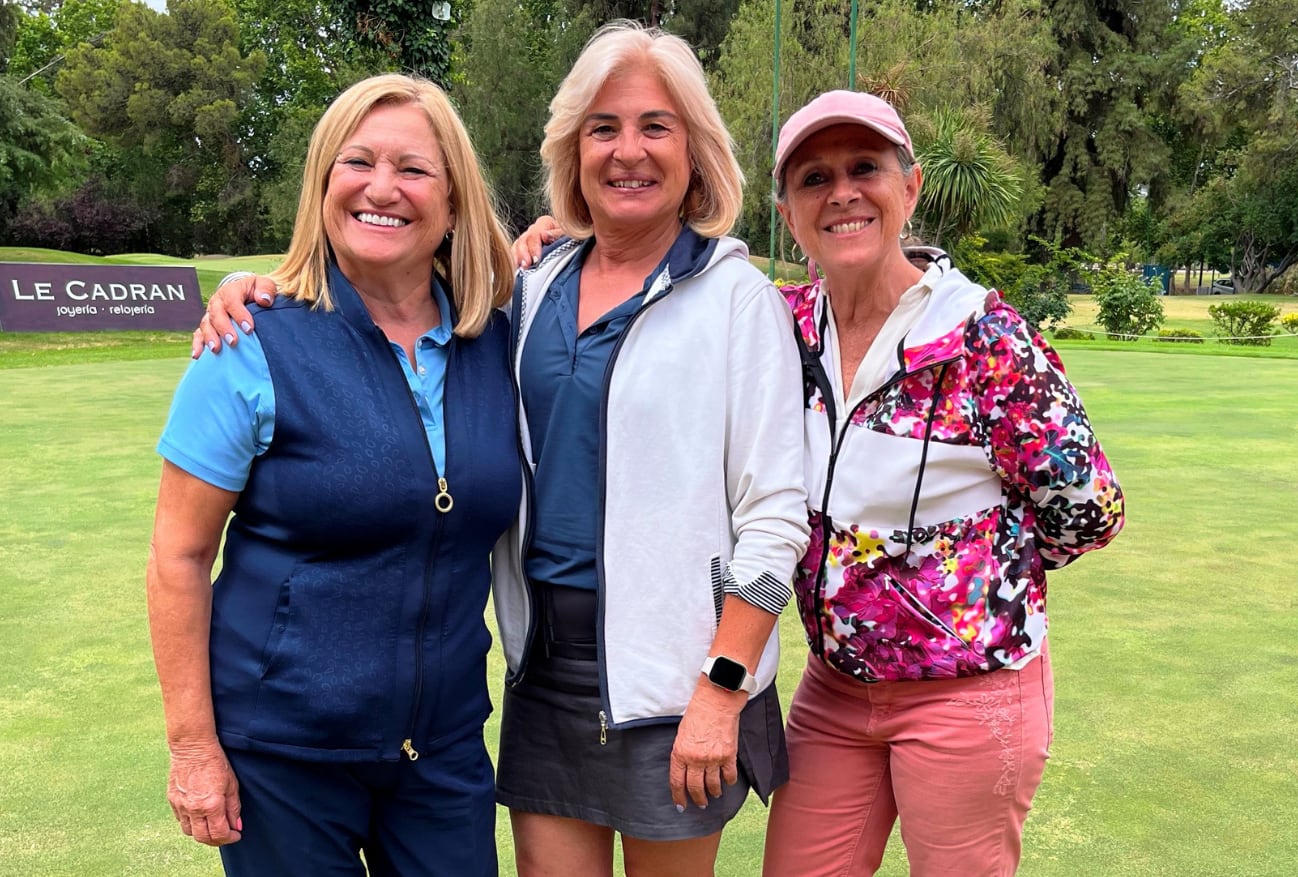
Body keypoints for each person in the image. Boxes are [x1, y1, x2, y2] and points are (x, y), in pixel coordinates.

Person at [195, 22, 809, 877]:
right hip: (542, 673)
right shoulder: (526, 289)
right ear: (573, 149)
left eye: (655, 126)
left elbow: (779, 518)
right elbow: (383, 279)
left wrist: (724, 684)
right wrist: (249, 285)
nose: (627, 150)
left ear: (697, 151)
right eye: (603, 127)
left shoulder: (741, 300)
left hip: (678, 681)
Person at [147, 73, 519, 877]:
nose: (382, 188)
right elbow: (177, 557)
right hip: (280, 757)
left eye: (414, 169)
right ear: (323, 184)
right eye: (357, 161)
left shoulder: (496, 339)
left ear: (452, 202)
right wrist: (192, 747)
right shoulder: (249, 339)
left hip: (441, 751)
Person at [759, 90, 1126, 876]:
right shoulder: (776, 328)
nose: (843, 193)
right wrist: (560, 241)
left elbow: (1089, 509)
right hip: (834, 690)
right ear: (789, 212)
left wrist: (971, 572)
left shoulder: (985, 338)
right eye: (814, 179)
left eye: (866, 168)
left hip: (971, 691)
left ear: (911, 187)